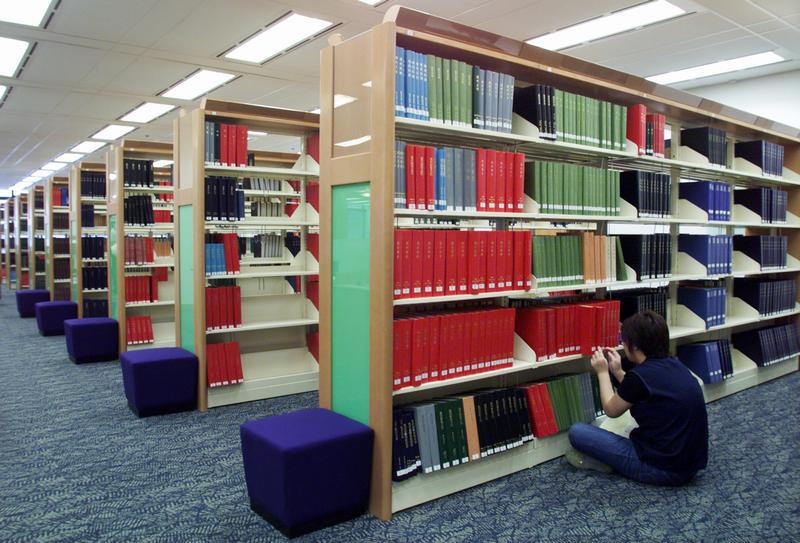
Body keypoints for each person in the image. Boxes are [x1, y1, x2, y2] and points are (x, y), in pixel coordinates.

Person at [566, 310, 708, 486]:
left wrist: (602, 372)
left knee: (577, 432)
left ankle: (607, 462)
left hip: (661, 469)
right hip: (690, 466)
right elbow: (642, 390)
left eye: (624, 341)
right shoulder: (675, 365)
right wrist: (618, 372)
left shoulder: (639, 376)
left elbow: (611, 409)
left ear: (634, 347)